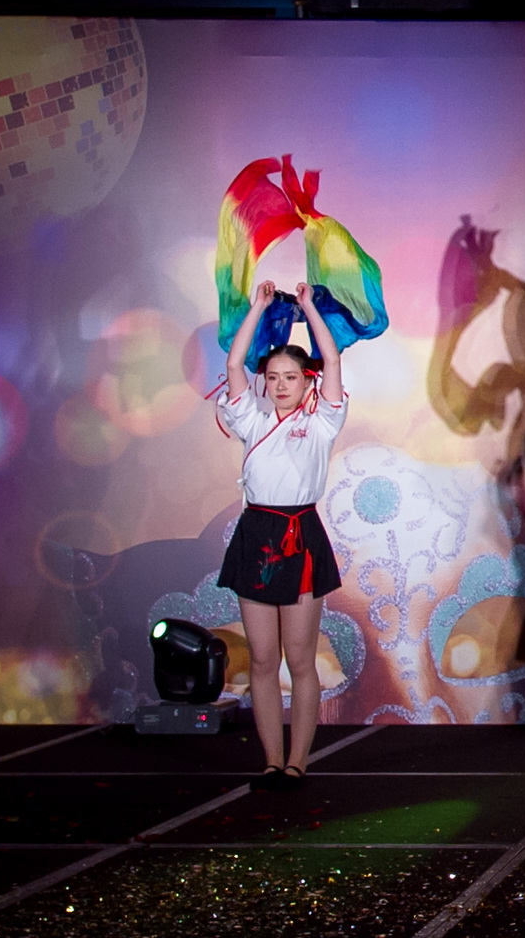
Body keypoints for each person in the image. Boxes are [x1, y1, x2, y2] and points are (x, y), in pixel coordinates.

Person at [217, 280, 348, 790]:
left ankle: (298, 762)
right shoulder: (252, 420)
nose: (280, 385)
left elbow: (331, 361)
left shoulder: (322, 423)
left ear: (306, 380)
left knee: (299, 658)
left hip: (300, 534)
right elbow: (234, 365)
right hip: (257, 533)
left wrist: (309, 308)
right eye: (272, 377)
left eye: (290, 377)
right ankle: (272, 761)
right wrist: (258, 308)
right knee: (263, 659)